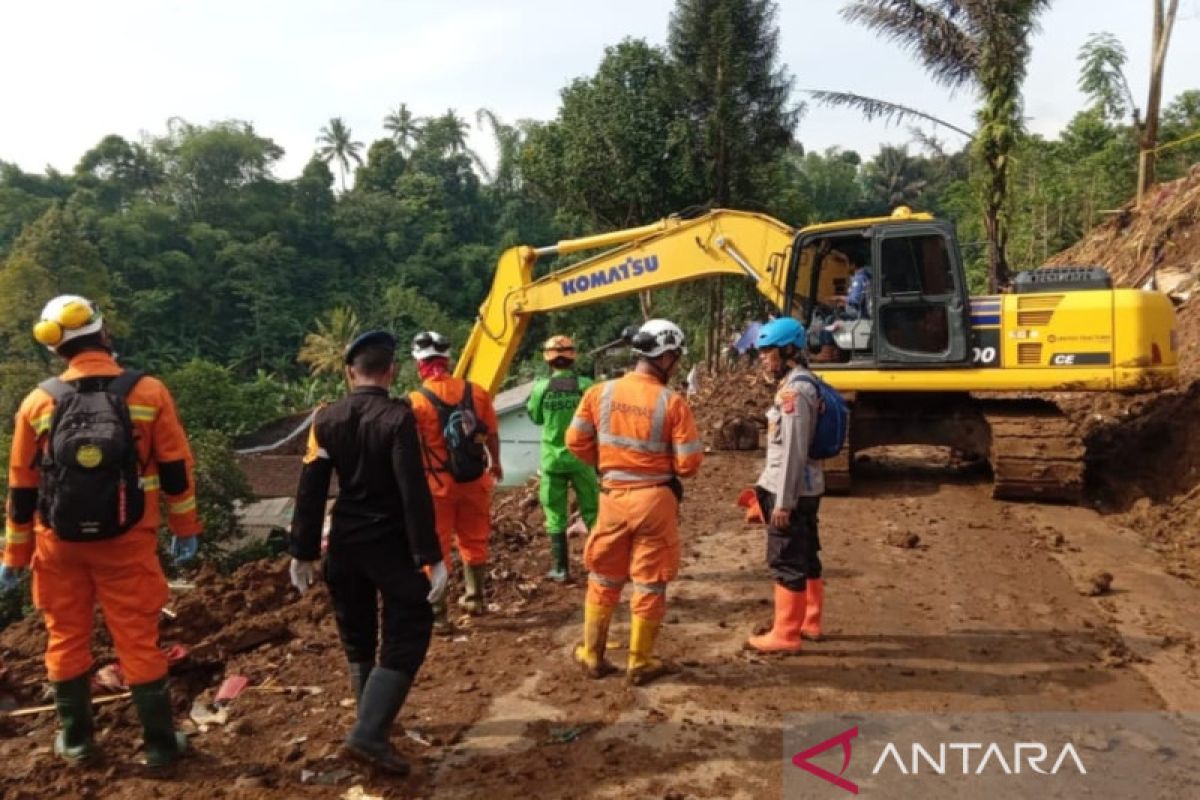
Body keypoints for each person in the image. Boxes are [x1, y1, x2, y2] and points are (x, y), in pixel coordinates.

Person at [0, 295, 200, 768]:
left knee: (65, 636)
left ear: (55, 350)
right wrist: (185, 525)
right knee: (137, 638)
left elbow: (22, 486)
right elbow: (175, 468)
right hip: (128, 540)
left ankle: (77, 742)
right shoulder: (148, 393)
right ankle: (159, 746)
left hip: (58, 544)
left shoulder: (38, 401)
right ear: (103, 333)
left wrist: (14, 554)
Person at [288, 330, 446, 775]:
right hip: (388, 545)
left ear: (348, 372)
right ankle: (369, 733)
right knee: (409, 626)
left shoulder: (326, 418)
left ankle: (370, 722)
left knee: (357, 633)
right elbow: (412, 491)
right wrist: (429, 556)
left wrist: (302, 551)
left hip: (344, 544)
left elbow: (310, 488)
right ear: (391, 371)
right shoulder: (399, 419)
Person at [565, 319, 704, 685]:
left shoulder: (599, 393)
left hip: (612, 496)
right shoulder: (672, 402)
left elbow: (575, 441)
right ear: (667, 357)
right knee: (649, 582)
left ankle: (592, 655)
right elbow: (688, 465)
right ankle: (639, 662)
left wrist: (609, 463)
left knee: (604, 576)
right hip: (655, 500)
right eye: (676, 358)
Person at [408, 331, 501, 626]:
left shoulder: (415, 402)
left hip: (436, 487)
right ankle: (475, 601)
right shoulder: (476, 392)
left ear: (419, 364)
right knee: (474, 540)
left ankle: (439, 616)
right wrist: (495, 463)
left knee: (436, 548)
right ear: (447, 360)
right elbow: (492, 433)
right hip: (474, 480)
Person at [745, 316, 825, 654]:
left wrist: (783, 503)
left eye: (768, 352)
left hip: (790, 491)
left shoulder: (795, 390)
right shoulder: (803, 383)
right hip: (805, 488)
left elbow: (793, 451)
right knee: (806, 555)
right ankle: (810, 620)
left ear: (789, 350)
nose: (763, 357)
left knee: (786, 559)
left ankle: (786, 635)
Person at [526, 335, 599, 582]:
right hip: (582, 457)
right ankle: (599, 565)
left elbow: (535, 418)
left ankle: (560, 569)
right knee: (592, 511)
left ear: (548, 360)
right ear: (573, 356)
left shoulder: (540, 388)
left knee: (555, 515)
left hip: (552, 459)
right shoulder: (586, 385)